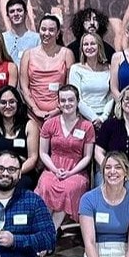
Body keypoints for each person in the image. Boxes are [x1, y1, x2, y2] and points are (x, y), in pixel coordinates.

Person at [35, 85, 95, 233]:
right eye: (63, 100)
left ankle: (50, 233)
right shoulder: (50, 124)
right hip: (52, 168)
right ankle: (45, 231)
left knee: (69, 189)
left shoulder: (87, 126)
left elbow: (87, 156)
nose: (67, 104)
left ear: (77, 102)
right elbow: (43, 153)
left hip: (76, 171)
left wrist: (70, 172)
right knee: (46, 186)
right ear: (59, 103)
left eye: (71, 100)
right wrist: (55, 170)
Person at [20, 14, 75, 122]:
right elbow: (24, 87)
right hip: (33, 115)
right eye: (43, 29)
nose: (46, 33)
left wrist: (58, 109)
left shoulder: (67, 54)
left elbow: (70, 87)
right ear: (39, 30)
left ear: (58, 33)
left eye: (51, 30)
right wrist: (35, 110)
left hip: (61, 114)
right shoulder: (28, 54)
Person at [67, 32, 113, 128]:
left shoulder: (109, 68)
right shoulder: (76, 69)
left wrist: (103, 118)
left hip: (105, 118)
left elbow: (111, 96)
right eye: (85, 44)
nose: (89, 47)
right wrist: (93, 118)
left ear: (99, 46)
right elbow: (76, 97)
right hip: (82, 118)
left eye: (93, 43)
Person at [2, 0, 40, 66]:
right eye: (12, 11)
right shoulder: (1, 38)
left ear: (26, 13)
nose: (16, 14)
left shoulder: (37, 39)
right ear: (8, 15)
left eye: (19, 10)